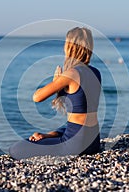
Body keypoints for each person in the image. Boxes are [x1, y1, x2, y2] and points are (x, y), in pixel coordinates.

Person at [9, 27, 101, 159]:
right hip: (94, 141)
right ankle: (48, 136)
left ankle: (50, 138)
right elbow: (79, 104)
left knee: (15, 149)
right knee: (65, 128)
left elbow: (37, 97)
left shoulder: (71, 74)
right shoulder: (96, 72)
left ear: (70, 47)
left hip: (77, 144)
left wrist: (57, 82)